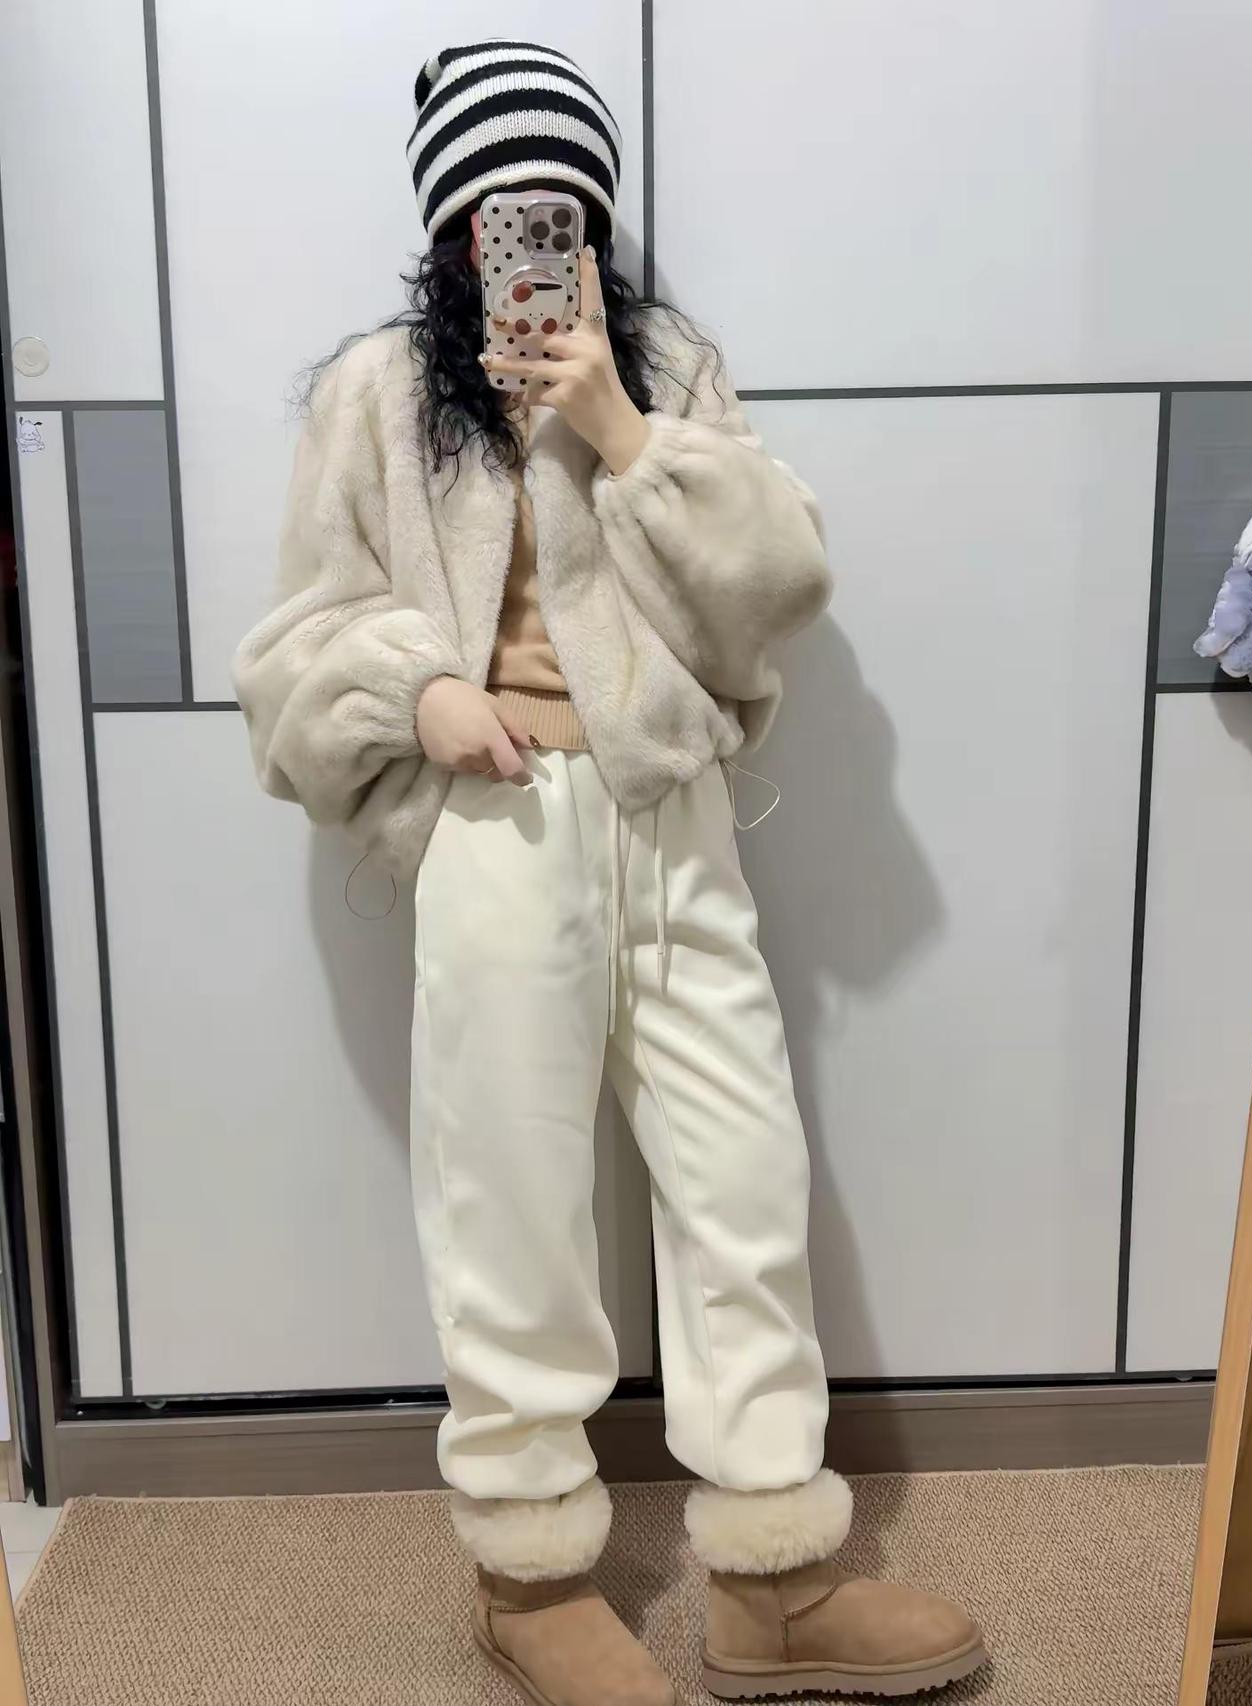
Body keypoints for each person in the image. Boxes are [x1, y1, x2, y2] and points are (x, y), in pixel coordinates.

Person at [234, 38, 987, 1706]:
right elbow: (292, 644)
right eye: (499, 215)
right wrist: (420, 694)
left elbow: (778, 585)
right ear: (449, 232)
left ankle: (775, 1580)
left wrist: (625, 432)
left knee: (742, 1178)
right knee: (506, 1197)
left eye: (561, 211)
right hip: (494, 817)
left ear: (594, 224)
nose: (529, 244)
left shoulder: (667, 371)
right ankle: (526, 1580)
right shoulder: (374, 395)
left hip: (670, 811)